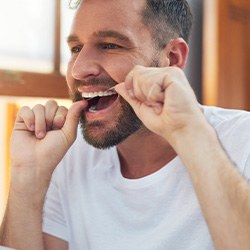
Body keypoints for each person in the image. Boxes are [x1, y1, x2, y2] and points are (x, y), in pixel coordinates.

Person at [1, 0, 250, 249]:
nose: (79, 70)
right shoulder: (67, 155)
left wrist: (188, 133)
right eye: (76, 49)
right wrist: (28, 176)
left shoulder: (244, 141)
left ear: (172, 59)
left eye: (110, 45)